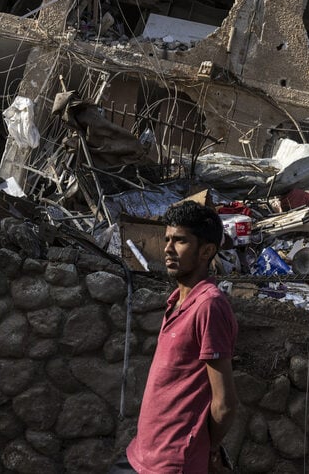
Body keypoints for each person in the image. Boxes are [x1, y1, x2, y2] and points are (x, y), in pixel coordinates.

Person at [113, 200, 239, 473]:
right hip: (142, 453)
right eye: (167, 238)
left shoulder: (209, 306)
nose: (168, 248)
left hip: (172, 463)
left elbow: (224, 404)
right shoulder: (177, 301)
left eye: (180, 241)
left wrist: (209, 449)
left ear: (206, 251)